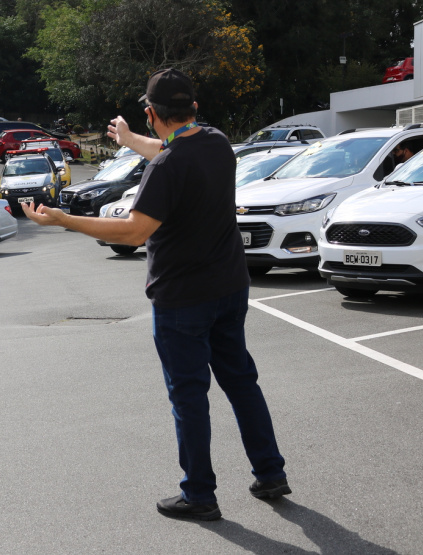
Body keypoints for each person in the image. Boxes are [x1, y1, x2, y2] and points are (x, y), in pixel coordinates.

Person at [20, 68, 288, 521]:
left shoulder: (166, 167)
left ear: (151, 113)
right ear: (194, 109)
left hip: (184, 298)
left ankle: (200, 494)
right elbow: (169, 147)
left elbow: (133, 231)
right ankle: (270, 472)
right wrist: (127, 140)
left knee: (189, 396)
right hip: (229, 287)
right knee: (241, 381)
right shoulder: (218, 144)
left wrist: (64, 220)